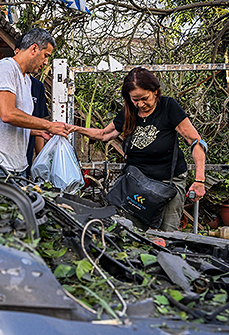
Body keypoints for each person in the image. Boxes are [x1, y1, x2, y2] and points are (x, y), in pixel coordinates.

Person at [68, 67, 207, 231]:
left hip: (168, 183)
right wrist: (73, 129)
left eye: (144, 98)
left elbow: (196, 141)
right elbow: (104, 134)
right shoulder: (130, 112)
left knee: (168, 234)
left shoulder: (168, 107)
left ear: (155, 91)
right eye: (135, 100)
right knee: (133, 232)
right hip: (137, 184)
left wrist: (199, 180)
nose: (140, 104)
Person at [0, 28, 68, 176]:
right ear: (34, 48)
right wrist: (49, 125)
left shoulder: (27, 80)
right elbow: (8, 114)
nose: (46, 62)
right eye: (46, 56)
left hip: (18, 167)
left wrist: (38, 130)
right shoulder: (6, 68)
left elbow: (14, 124)